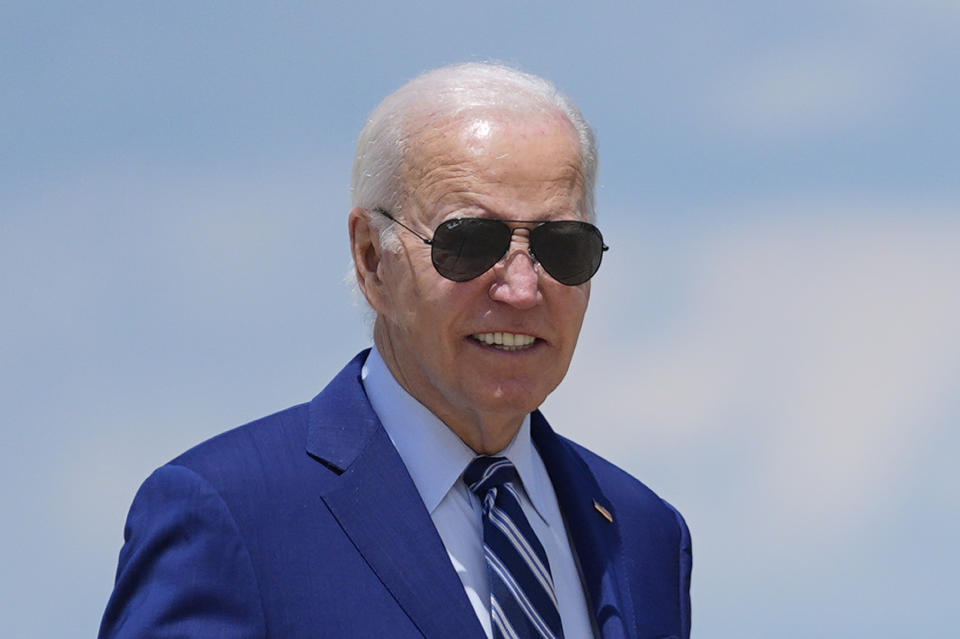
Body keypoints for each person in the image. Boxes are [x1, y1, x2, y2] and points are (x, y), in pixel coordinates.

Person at [99, 62, 692, 639]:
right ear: (370, 259)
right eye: (470, 242)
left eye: (562, 245)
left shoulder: (644, 534)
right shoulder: (230, 514)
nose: (522, 287)